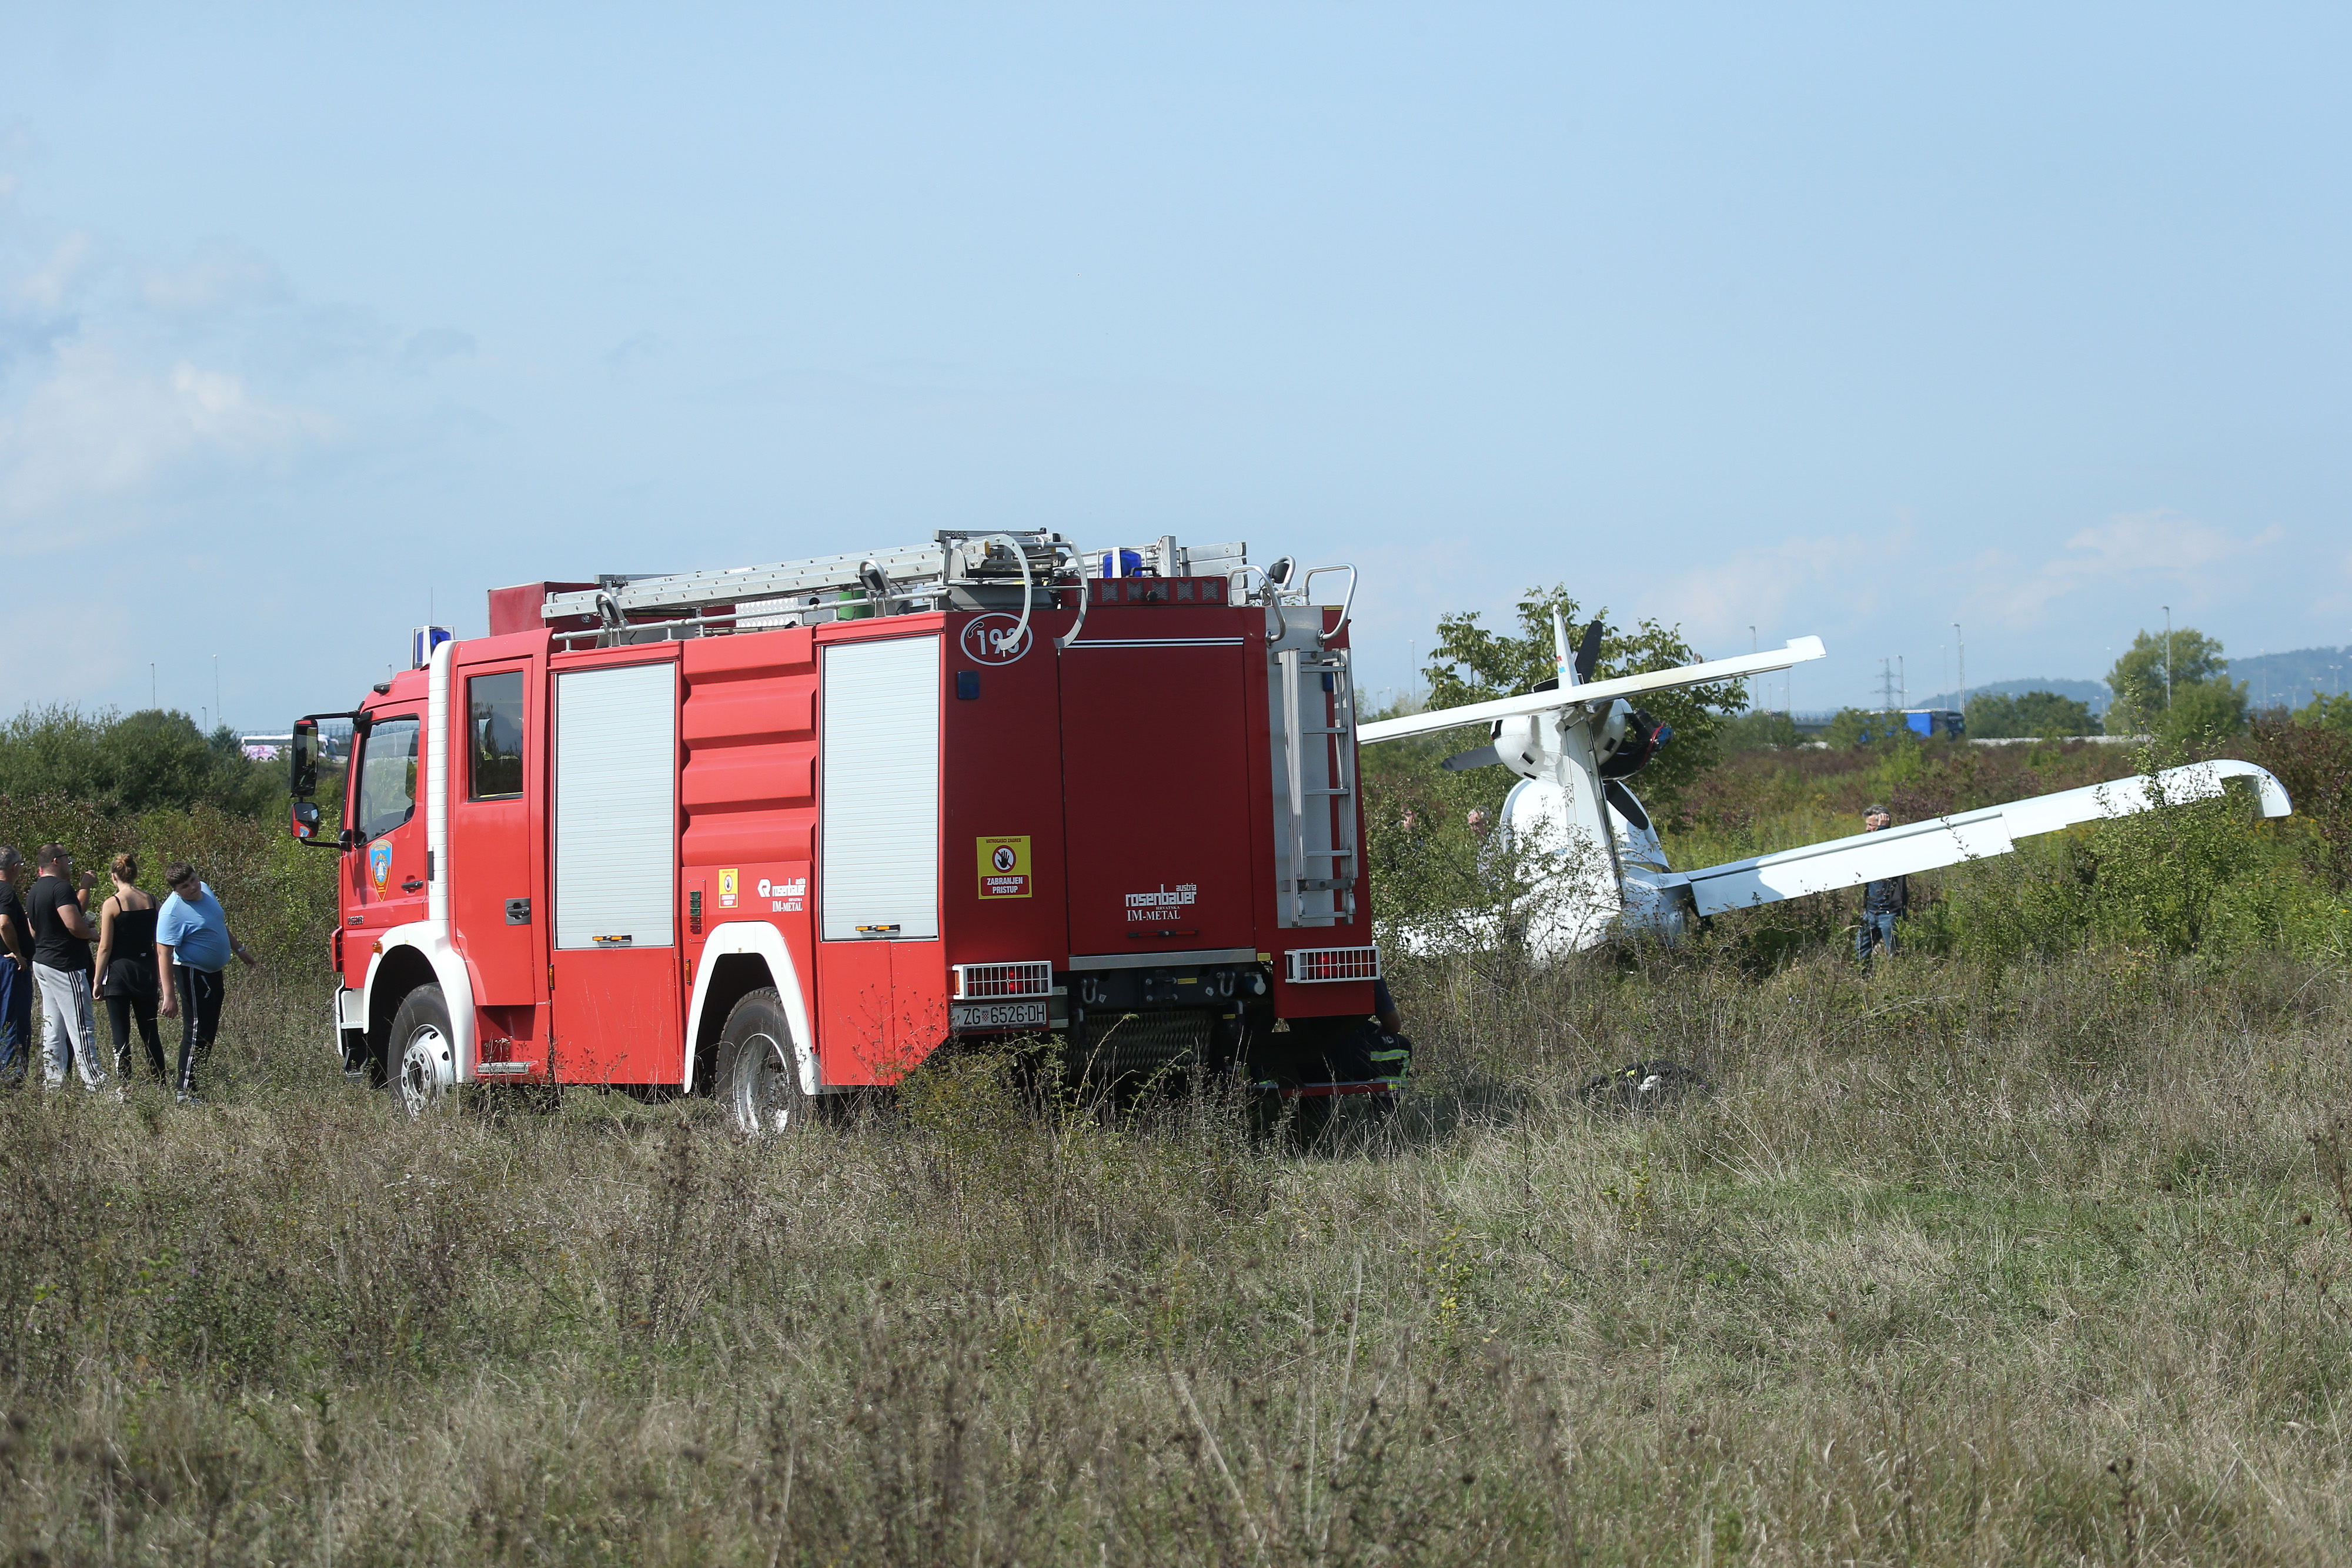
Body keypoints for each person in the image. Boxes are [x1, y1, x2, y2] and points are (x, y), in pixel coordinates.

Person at [155, 861, 256, 1103]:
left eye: (193, 880)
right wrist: (169, 996)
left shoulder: (206, 891)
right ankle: (184, 1091)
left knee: (209, 1030)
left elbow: (217, 923)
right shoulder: (172, 912)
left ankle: (196, 1084)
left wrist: (239, 949)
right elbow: (164, 954)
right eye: (185, 886)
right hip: (192, 972)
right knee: (197, 1029)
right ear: (176, 890)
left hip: (213, 973)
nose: (193, 887)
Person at [27, 844, 108, 1092]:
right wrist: (94, 935)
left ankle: (53, 1083)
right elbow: (74, 925)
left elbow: (33, 930)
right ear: (56, 861)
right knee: (81, 1026)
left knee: (53, 1026)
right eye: (66, 859)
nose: (69, 863)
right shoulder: (60, 888)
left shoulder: (35, 890)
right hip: (65, 965)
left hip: (42, 961)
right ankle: (96, 1083)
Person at [93, 852, 167, 1083]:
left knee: (120, 1035)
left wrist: (97, 980)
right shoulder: (153, 901)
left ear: (114, 877)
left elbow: (105, 947)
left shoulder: (112, 904)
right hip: (146, 971)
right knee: (150, 1033)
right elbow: (161, 939)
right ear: (135, 874)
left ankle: (125, 1086)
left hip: (118, 974)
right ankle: (160, 1080)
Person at [1856, 804, 1907, 971]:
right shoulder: (1868, 846)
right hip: (1870, 912)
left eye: (1871, 825)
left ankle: (1896, 985)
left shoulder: (1895, 843)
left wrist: (1885, 831)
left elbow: (1887, 853)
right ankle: (1865, 984)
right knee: (1860, 952)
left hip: (1890, 913)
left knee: (1895, 955)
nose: (1867, 829)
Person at [0, 848, 31, 1085]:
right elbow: (3, 923)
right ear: (15, 867)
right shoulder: (6, 892)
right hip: (9, 967)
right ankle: (12, 1080)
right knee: (13, 1022)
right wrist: (18, 954)